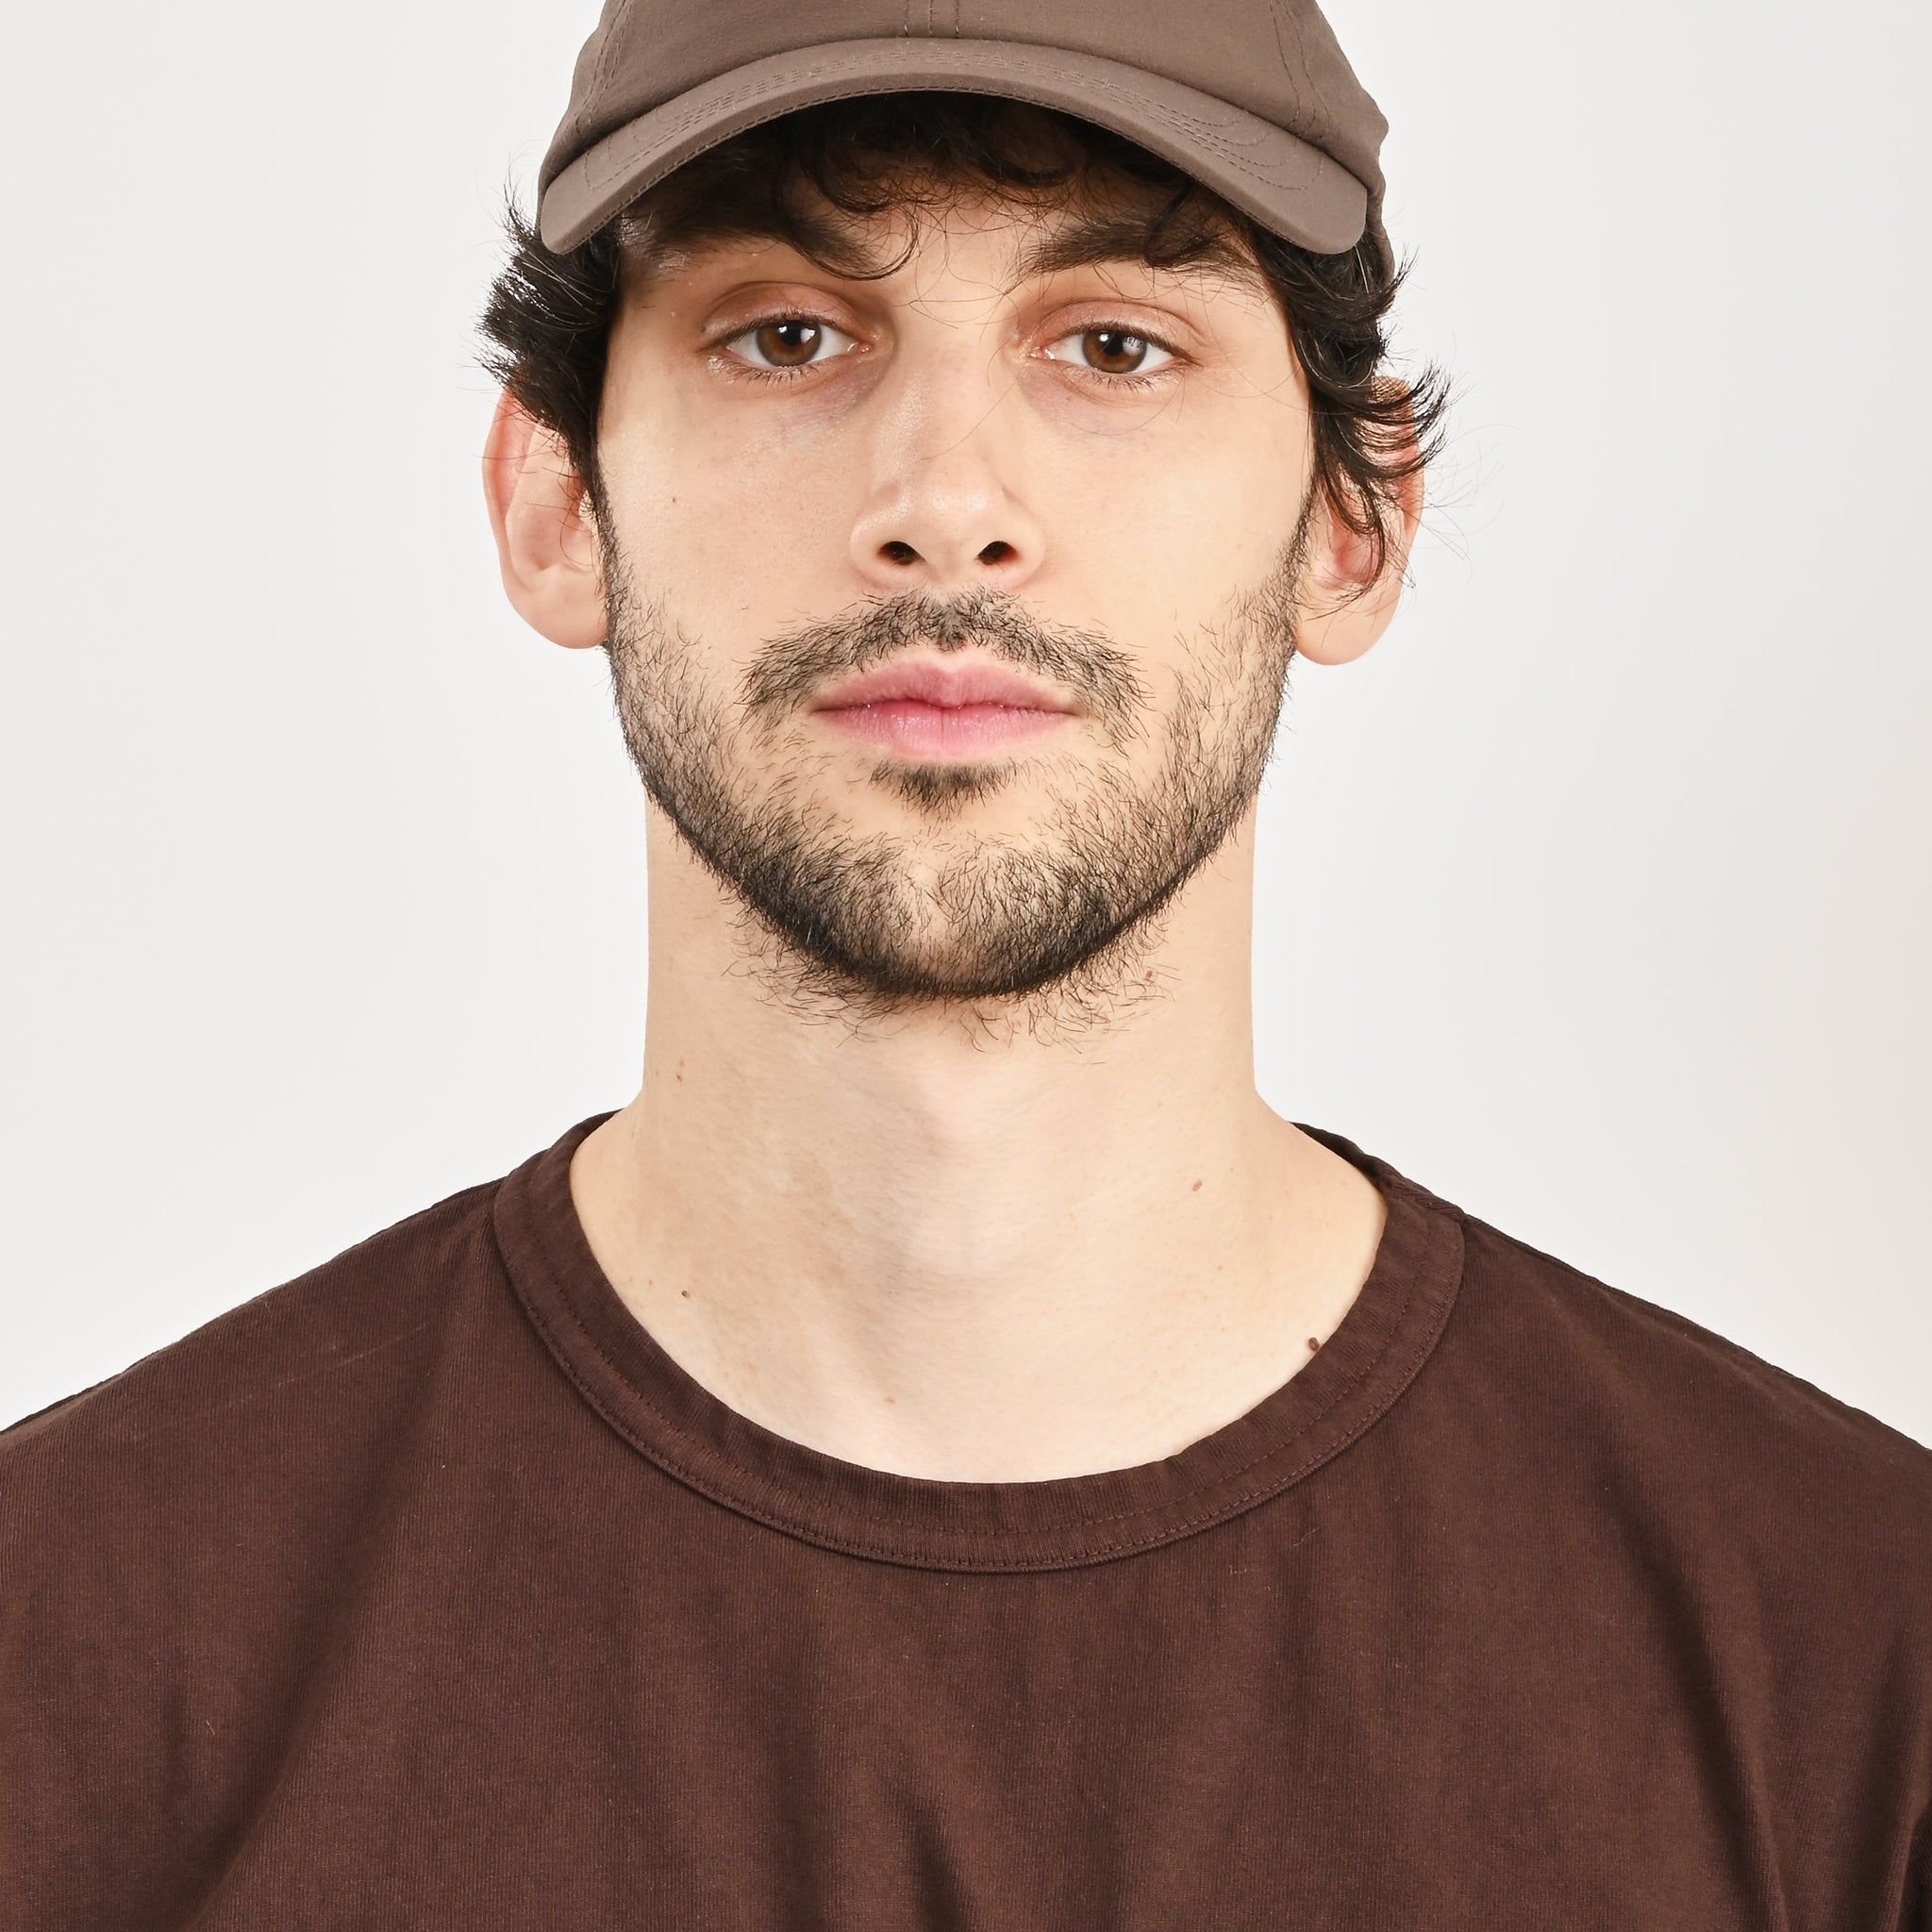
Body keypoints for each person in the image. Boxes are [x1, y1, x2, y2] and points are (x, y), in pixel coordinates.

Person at [3, 0, 1928, 1922]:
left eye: (1114, 345)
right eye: (787, 335)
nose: (944, 507)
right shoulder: (65, 1648)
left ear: (1350, 526)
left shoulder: (1855, 1669)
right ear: (557, 502)